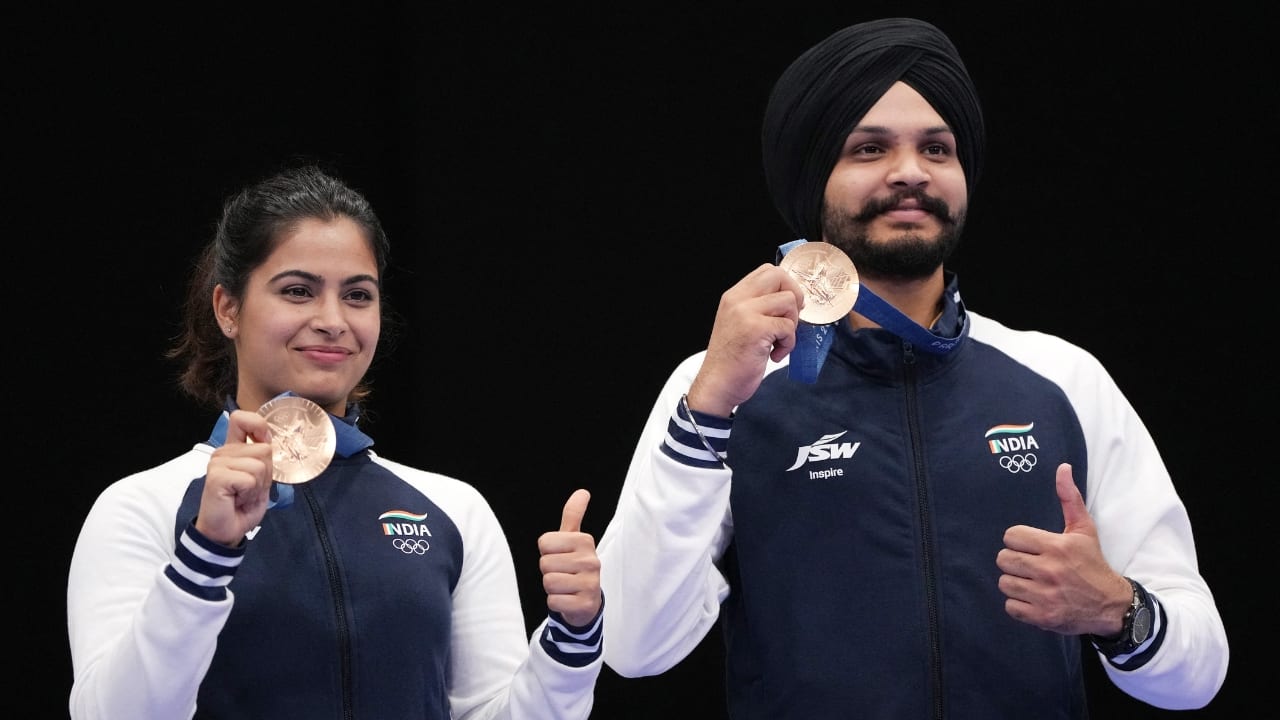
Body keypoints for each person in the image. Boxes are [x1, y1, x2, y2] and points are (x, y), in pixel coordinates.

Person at [595, 17, 1228, 718]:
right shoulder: (724, 386)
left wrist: (1119, 610)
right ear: (815, 181)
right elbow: (632, 645)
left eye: (936, 147)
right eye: (868, 148)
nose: (909, 171)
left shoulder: (1063, 379)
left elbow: (1195, 674)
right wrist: (708, 406)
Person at [66, 165, 604, 719]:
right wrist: (206, 554)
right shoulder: (141, 507)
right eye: (298, 291)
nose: (332, 320)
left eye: (357, 295)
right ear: (228, 309)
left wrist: (573, 640)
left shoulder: (454, 509)